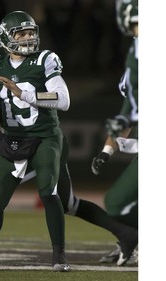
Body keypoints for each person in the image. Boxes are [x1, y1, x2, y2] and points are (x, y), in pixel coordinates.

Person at [0, 25, 137, 268]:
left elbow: (60, 98)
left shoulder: (32, 63)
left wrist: (17, 95)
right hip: (21, 143)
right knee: (68, 204)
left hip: (42, 142)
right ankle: (127, 233)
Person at [91, 0, 138, 265]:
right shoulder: (136, 55)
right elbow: (129, 111)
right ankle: (130, 240)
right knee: (119, 203)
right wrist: (107, 150)